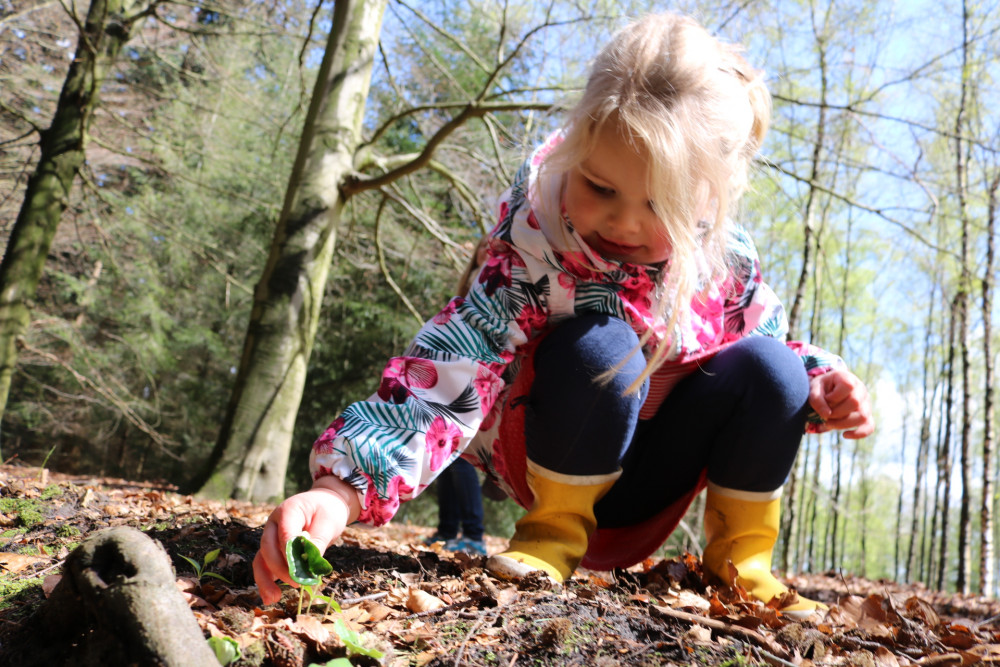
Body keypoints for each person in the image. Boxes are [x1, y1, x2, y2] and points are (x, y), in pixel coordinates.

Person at [253, 12, 874, 617]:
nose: (624, 222)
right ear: (575, 146)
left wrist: (819, 384)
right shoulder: (530, 255)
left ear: (710, 200)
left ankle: (743, 567)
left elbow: (765, 361)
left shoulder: (724, 267)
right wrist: (339, 490)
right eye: (600, 187)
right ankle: (548, 541)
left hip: (647, 493)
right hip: (553, 467)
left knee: (775, 368)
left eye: (661, 206)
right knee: (600, 341)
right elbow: (443, 376)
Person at [423, 240, 491, 557]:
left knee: (461, 459)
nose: (490, 247)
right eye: (485, 243)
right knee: (446, 457)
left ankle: (474, 536)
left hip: (479, 376)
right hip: (453, 374)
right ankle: (448, 530)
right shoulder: (469, 288)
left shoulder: (499, 281)